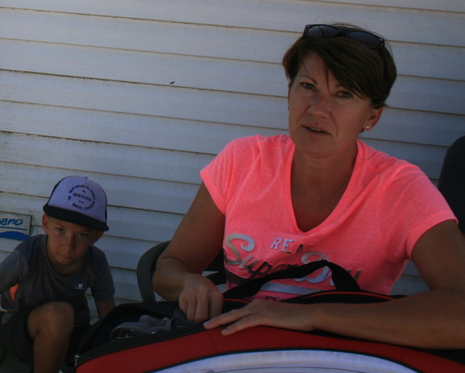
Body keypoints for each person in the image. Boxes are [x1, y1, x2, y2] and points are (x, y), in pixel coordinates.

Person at [153, 23, 465, 349]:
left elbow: (460, 311)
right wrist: (190, 284)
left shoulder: (400, 189)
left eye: (343, 94)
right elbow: (170, 267)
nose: (317, 109)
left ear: (372, 117)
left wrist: (310, 316)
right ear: (289, 94)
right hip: (237, 349)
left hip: (342, 356)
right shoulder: (242, 161)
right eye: (307, 86)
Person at [0, 176, 116, 373]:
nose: (68, 245)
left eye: (81, 235)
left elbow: (109, 321)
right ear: (45, 223)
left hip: (72, 335)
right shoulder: (27, 258)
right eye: (60, 230)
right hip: (22, 334)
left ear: (96, 236)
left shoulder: (96, 262)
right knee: (59, 315)